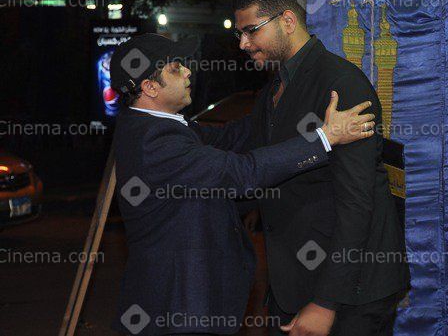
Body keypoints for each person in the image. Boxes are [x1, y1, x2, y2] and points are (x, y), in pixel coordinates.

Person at [108, 33, 377, 335]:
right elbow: (241, 173)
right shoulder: (155, 141)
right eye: (175, 68)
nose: (187, 72)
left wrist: (281, 106)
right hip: (178, 310)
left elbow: (231, 138)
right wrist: (325, 138)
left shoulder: (152, 126)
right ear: (150, 87)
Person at [234, 0, 410, 336]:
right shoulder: (273, 88)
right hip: (294, 281)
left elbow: (357, 202)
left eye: (251, 31)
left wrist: (326, 302)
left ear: (287, 20)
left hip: (351, 294)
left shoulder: (342, 84)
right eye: (239, 33)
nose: (243, 43)